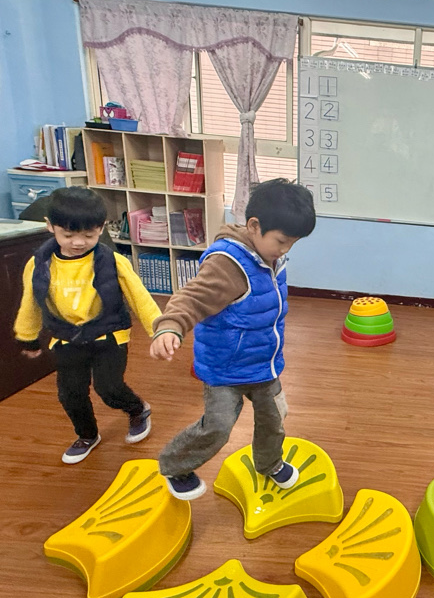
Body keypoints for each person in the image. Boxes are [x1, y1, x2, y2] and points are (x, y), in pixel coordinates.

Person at [149, 179, 316, 500]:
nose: (285, 249)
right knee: (218, 426)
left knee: (275, 418)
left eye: (292, 243)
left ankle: (269, 463)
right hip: (225, 369)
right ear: (254, 226)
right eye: (282, 241)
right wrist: (170, 326)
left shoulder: (271, 259)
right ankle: (175, 465)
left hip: (264, 365)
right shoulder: (228, 264)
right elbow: (192, 297)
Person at [14, 187, 160, 463]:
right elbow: (30, 302)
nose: (78, 242)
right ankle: (87, 434)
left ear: (101, 228)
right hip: (67, 337)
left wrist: (160, 331)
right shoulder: (38, 264)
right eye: (68, 235)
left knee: (109, 387)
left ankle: (137, 409)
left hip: (109, 334)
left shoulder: (113, 261)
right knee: (70, 393)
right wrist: (27, 336)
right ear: (50, 226)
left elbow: (140, 297)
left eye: (89, 235)